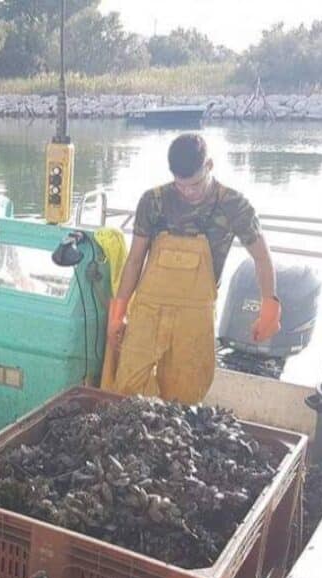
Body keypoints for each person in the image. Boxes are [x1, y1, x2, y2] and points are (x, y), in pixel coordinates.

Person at [106, 132, 281, 403]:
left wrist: (269, 305)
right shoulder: (153, 202)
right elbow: (134, 260)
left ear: (209, 165)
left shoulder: (233, 205)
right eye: (181, 185)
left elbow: (262, 257)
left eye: (196, 184)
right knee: (127, 388)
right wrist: (119, 311)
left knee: (185, 396)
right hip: (148, 311)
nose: (188, 192)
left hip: (195, 317)